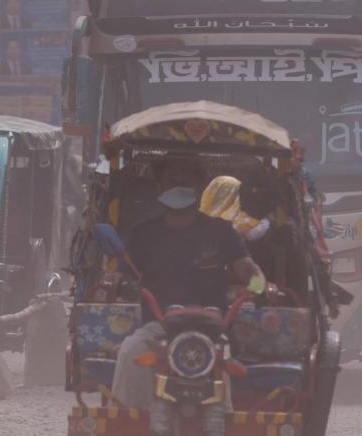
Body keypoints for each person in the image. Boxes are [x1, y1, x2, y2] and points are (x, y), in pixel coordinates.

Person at [110, 159, 266, 410]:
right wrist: (121, 284)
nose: (178, 186)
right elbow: (122, 275)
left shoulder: (221, 231)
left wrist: (260, 285)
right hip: (159, 327)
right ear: (160, 187)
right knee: (130, 350)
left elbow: (247, 269)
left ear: (199, 187)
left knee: (221, 361)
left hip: (213, 330)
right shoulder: (143, 234)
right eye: (172, 181)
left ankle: (224, 430)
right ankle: (132, 425)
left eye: (186, 181)